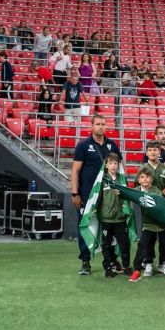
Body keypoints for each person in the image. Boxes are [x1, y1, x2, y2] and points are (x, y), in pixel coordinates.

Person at [70, 115, 122, 275]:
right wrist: (75, 193)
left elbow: (121, 168)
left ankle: (112, 260)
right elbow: (75, 171)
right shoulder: (83, 145)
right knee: (86, 226)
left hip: (108, 196)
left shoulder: (112, 145)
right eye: (98, 124)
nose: (101, 126)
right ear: (91, 126)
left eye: (103, 124)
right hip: (88, 196)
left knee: (111, 227)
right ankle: (85, 262)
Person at [128, 169, 165, 282]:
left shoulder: (156, 191)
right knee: (143, 245)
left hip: (160, 223)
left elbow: (160, 207)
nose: (145, 179)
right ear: (138, 180)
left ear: (151, 179)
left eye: (147, 177)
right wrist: (119, 193)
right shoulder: (136, 191)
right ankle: (137, 270)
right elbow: (127, 194)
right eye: (142, 177)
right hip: (147, 224)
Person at [97, 153, 132, 278]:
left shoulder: (122, 179)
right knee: (106, 244)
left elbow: (128, 196)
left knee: (124, 243)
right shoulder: (101, 180)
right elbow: (97, 197)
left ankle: (126, 266)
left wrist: (122, 194)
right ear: (106, 165)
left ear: (118, 165)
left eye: (115, 163)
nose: (113, 166)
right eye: (110, 163)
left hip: (120, 218)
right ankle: (108, 267)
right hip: (106, 218)